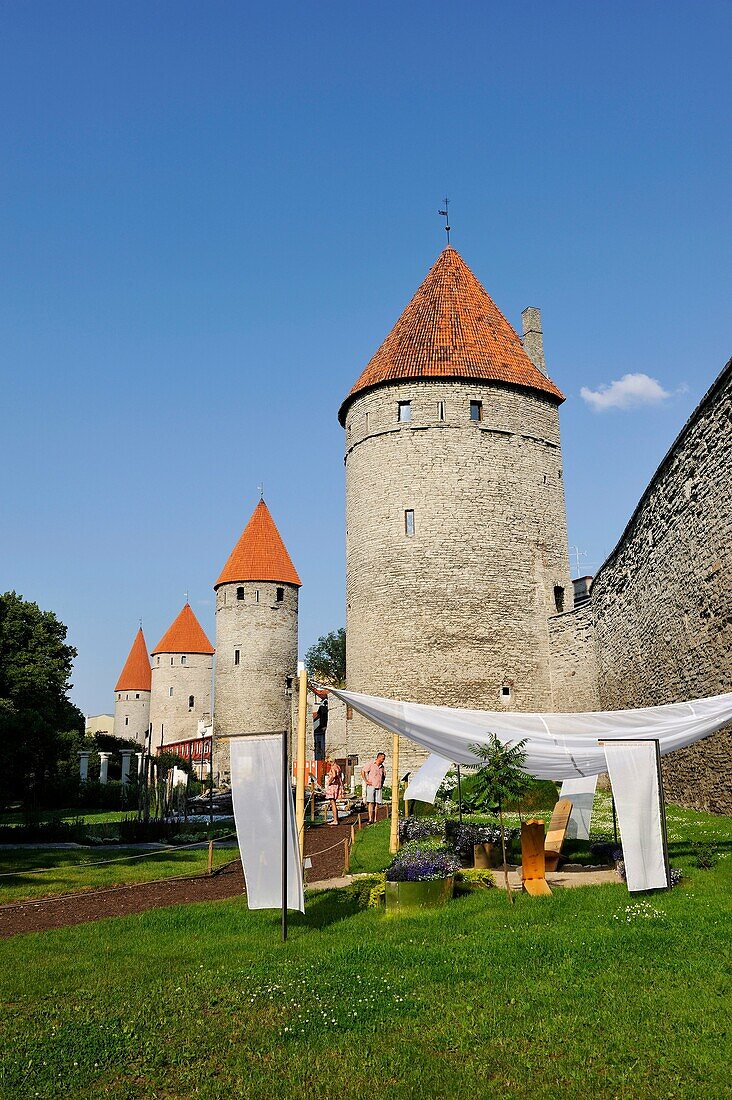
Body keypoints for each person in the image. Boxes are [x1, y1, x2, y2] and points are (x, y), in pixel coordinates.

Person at [361, 752, 386, 824]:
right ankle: (370, 819)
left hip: (379, 786)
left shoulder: (382, 767)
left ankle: (375, 819)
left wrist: (382, 782)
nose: (383, 760)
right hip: (371, 786)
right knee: (371, 802)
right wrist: (366, 781)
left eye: (384, 759)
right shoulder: (371, 764)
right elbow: (363, 771)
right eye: (382, 758)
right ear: (379, 757)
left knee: (377, 803)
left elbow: (383, 776)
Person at [324, 759, 344, 826]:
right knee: (334, 803)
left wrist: (329, 781)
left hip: (333, 786)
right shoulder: (338, 767)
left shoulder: (333, 767)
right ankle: (336, 819)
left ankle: (335, 820)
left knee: (333, 803)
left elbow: (334, 775)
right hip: (337, 785)